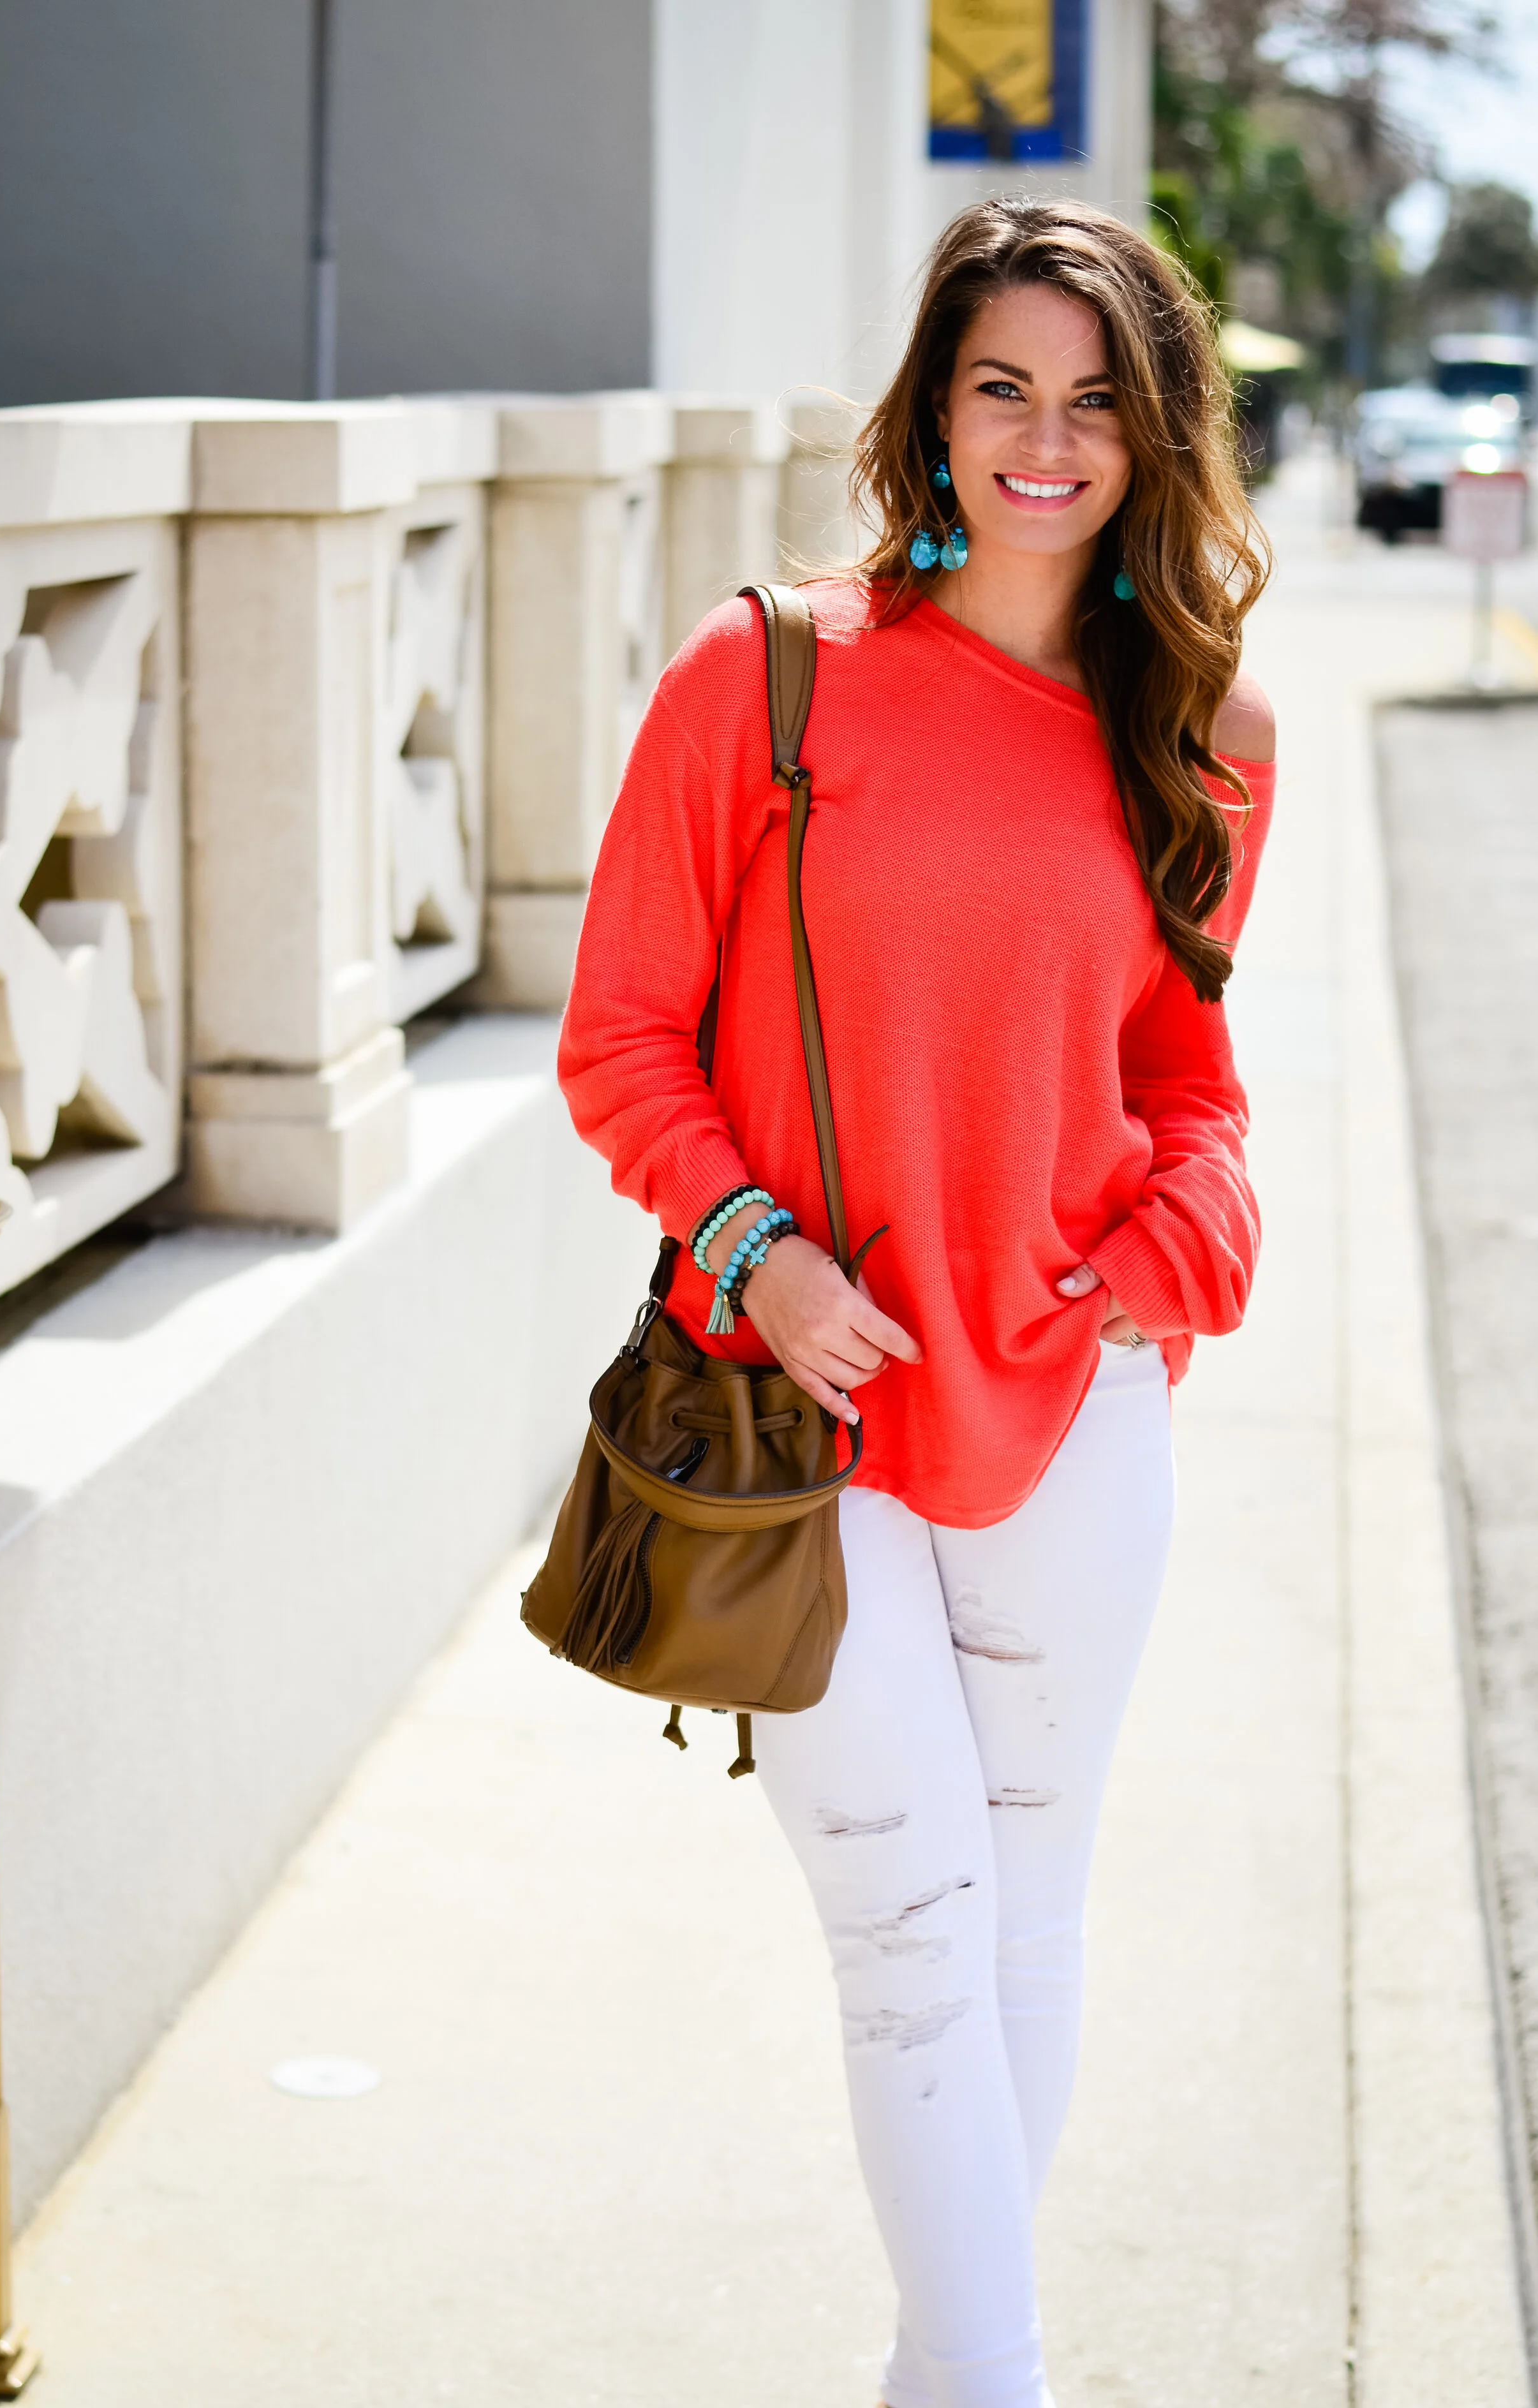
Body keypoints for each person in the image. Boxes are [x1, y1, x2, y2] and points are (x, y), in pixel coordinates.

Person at [558, 198, 1275, 2408]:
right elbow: (619, 1042)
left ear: (1155, 440)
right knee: (902, 1940)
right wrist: (753, 1260)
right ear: (931, 406)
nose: (1043, 440)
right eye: (1001, 387)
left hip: (1074, 1410)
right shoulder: (768, 671)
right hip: (808, 1426)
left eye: (1094, 401)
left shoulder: (1205, 728)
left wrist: (1168, 1259)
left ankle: (940, 2369)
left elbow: (1191, 1085)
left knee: (1023, 1923)